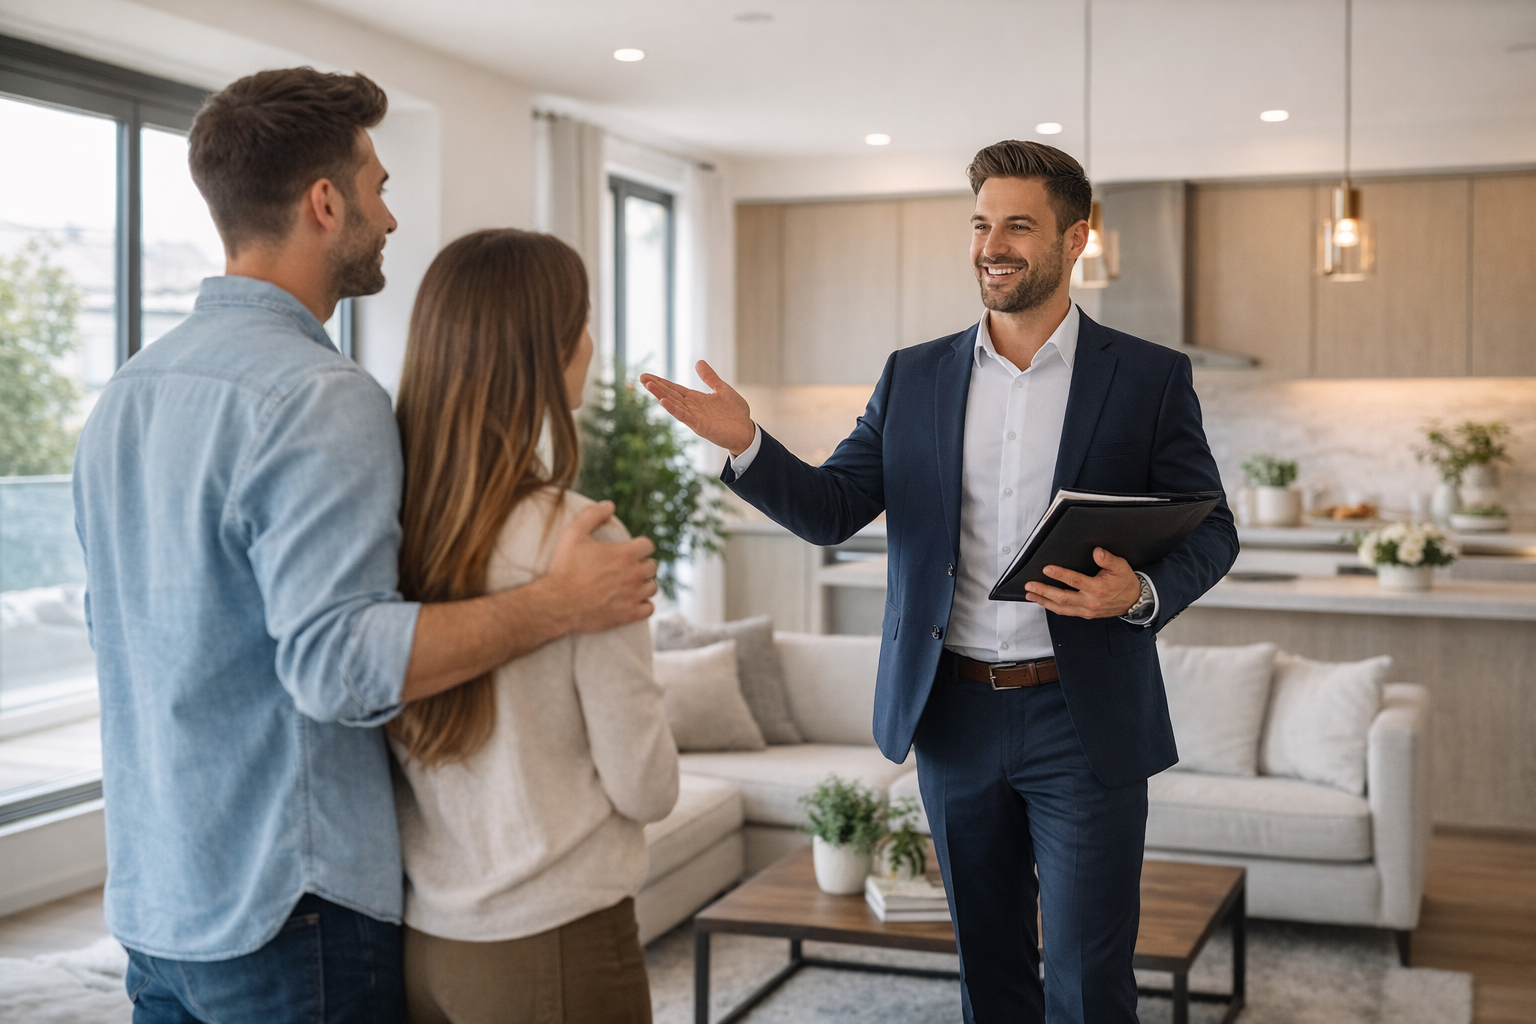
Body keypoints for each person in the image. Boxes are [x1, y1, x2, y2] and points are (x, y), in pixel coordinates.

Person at [72, 69, 657, 1024]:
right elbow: (338, 666)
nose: (390, 218)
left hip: (155, 901)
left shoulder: (127, 392)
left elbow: (118, 632)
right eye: (379, 187)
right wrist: (558, 604)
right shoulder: (320, 395)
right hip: (287, 907)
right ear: (324, 202)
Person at [641, 140, 1239, 1024]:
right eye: (981, 224)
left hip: (1085, 720)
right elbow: (833, 508)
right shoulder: (912, 375)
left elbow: (1213, 528)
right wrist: (748, 445)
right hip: (952, 715)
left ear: (1075, 240)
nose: (992, 245)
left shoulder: (1147, 377)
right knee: (989, 972)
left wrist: (1140, 593)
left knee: (1086, 979)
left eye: (1018, 226)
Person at [385, 229, 678, 1024]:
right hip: (557, 941)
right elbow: (645, 786)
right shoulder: (582, 544)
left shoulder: (389, 529)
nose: (592, 341)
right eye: (581, 320)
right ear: (543, 353)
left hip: (424, 943)